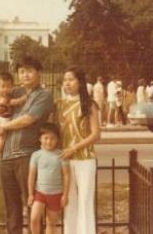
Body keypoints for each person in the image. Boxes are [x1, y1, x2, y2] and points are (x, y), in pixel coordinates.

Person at [0, 56, 54, 234]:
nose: (25, 75)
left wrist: (2, 126)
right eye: (21, 72)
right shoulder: (15, 93)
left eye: (29, 71)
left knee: (33, 204)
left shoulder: (43, 95)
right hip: (7, 158)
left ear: (39, 73)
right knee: (11, 208)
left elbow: (28, 119)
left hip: (28, 156)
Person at [55, 66, 100, 234]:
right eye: (65, 80)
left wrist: (74, 147)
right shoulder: (59, 104)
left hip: (85, 158)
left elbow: (96, 134)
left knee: (85, 202)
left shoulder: (89, 104)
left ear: (80, 82)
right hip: (65, 159)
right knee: (69, 202)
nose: (67, 83)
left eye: (71, 79)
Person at [28, 123, 70, 234]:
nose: (49, 141)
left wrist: (65, 195)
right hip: (40, 193)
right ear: (40, 139)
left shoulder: (61, 155)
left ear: (57, 140)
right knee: (34, 218)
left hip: (56, 193)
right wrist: (31, 194)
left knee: (51, 223)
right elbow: (31, 176)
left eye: (52, 138)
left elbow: (66, 176)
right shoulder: (36, 155)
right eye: (45, 138)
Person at [0, 72, 27, 158]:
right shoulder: (4, 98)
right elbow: (15, 102)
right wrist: (25, 97)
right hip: (2, 119)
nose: (6, 89)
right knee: (3, 137)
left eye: (9, 86)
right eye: (3, 86)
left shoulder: (0, 95)